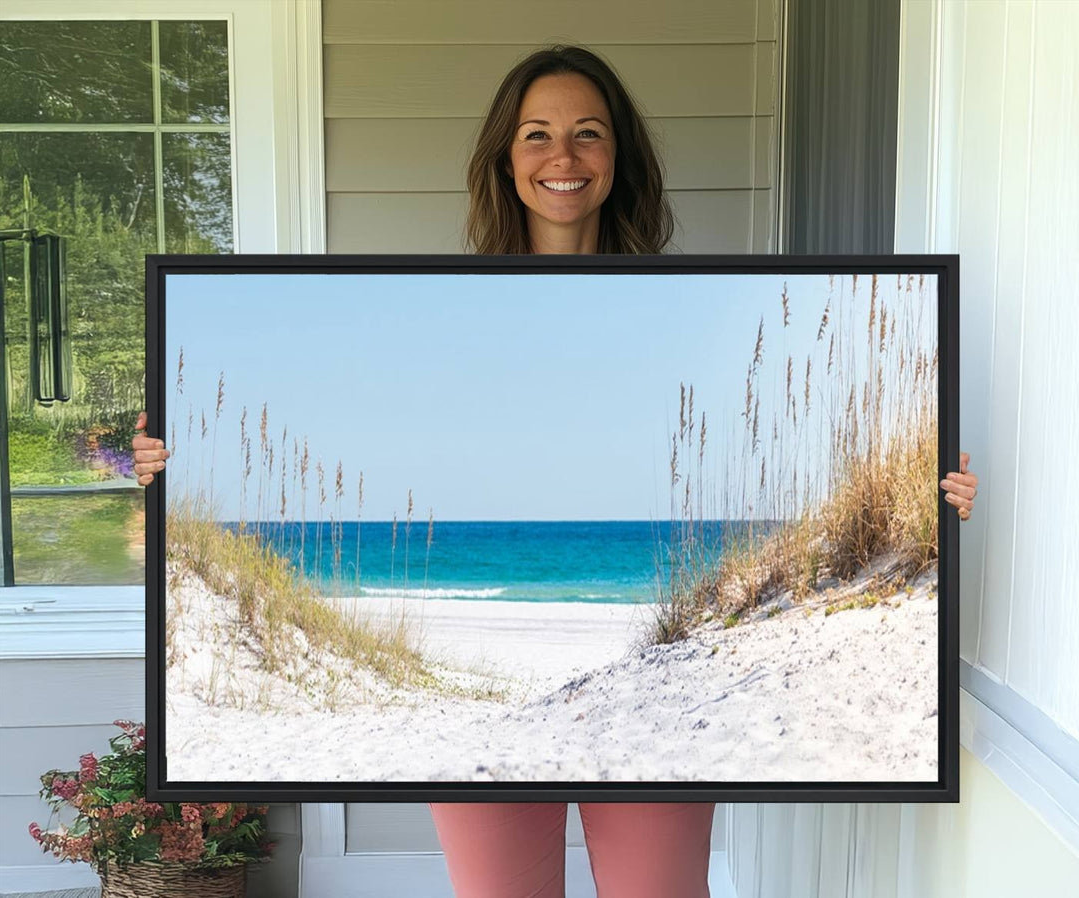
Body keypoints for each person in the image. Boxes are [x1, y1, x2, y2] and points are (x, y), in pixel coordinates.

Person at [132, 44, 979, 898]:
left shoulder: (685, 306)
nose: (562, 158)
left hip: (658, 692)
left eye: (588, 134)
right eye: (537, 135)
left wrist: (931, 506)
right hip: (483, 717)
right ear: (506, 158)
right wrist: (163, 468)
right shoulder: (443, 309)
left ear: (618, 159)